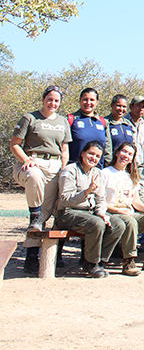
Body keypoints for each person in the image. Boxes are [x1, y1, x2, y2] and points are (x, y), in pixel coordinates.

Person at [10, 85, 72, 273]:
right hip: (32, 161)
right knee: (37, 210)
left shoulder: (62, 121)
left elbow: (64, 150)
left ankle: (33, 256)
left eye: (56, 100)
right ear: (43, 99)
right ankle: (33, 218)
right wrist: (26, 160)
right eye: (49, 99)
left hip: (54, 166)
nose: (52, 103)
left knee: (47, 211)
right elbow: (14, 145)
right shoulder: (30, 118)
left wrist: (63, 169)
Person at [54, 141, 124, 278]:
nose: (93, 158)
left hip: (89, 213)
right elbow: (65, 200)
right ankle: (91, 263)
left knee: (118, 224)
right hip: (67, 213)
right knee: (96, 224)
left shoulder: (97, 173)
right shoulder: (70, 170)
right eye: (91, 153)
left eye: (97, 156)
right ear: (82, 153)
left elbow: (101, 199)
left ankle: (101, 261)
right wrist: (86, 192)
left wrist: (102, 213)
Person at [103, 142, 144, 274]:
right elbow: (100, 201)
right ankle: (129, 261)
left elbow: (135, 201)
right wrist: (118, 210)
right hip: (111, 213)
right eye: (124, 152)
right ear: (117, 153)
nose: (126, 156)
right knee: (130, 221)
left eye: (130, 154)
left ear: (132, 159)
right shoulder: (105, 173)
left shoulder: (129, 176)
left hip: (128, 212)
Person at [67, 87, 112, 168]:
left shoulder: (103, 122)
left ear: (97, 102)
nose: (88, 103)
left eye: (92, 100)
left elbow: (107, 150)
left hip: (97, 171)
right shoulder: (71, 119)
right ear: (80, 100)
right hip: (75, 170)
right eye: (85, 99)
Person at [126, 95, 144, 173]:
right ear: (131, 106)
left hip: (139, 165)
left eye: (143, 107)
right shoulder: (124, 122)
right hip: (126, 164)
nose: (141, 109)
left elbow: (142, 143)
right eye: (137, 106)